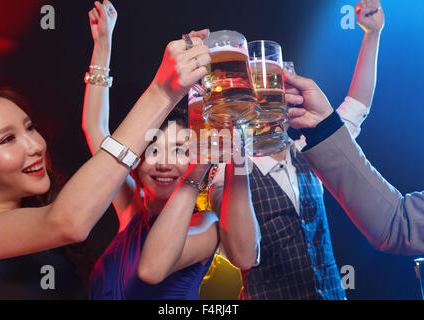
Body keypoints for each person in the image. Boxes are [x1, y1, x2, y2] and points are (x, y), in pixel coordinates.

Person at [0, 0, 225, 299]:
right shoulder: (121, 213)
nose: (36, 145)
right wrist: (162, 92)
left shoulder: (204, 222)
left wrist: (103, 45)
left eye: (30, 127)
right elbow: (67, 218)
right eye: (6, 139)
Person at [209, 0, 384, 299]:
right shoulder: (230, 171)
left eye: (285, 78)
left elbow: (358, 106)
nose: (284, 87)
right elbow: (240, 254)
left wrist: (372, 34)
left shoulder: (311, 152)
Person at [84, 1, 259, 299]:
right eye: (153, 150)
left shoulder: (206, 225)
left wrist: (222, 157)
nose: (163, 162)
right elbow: (95, 129)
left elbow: (152, 269)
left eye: (179, 150)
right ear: (136, 164)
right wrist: (103, 44)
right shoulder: (130, 213)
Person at [285, 65, 424, 257]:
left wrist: (372, 37)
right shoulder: (241, 165)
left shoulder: (299, 151)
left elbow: (357, 106)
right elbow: (399, 223)